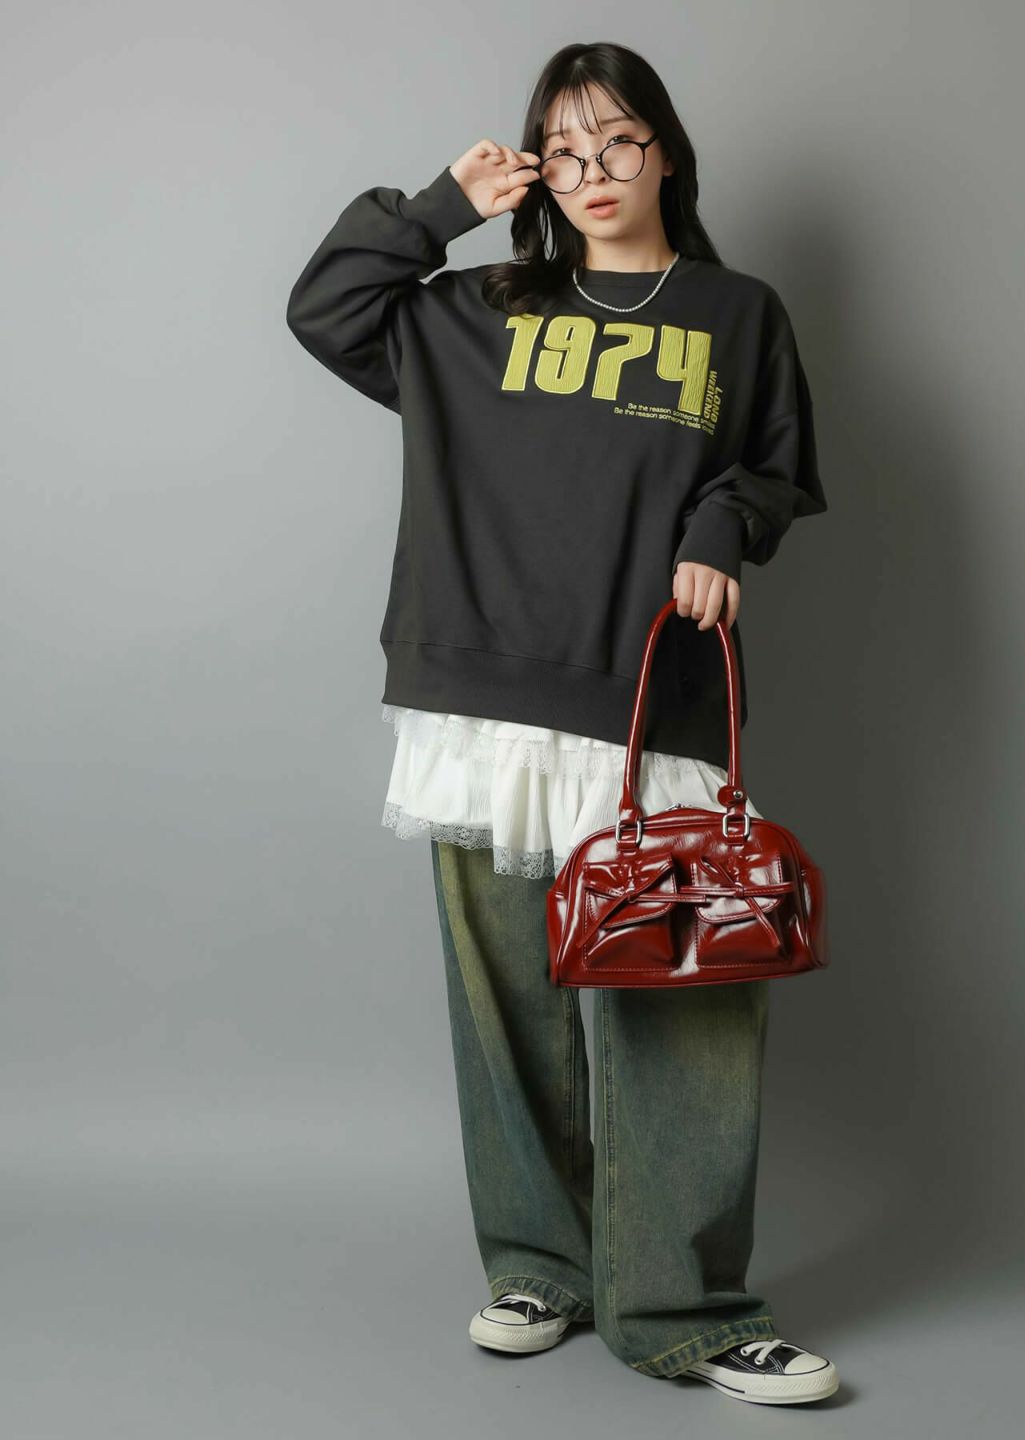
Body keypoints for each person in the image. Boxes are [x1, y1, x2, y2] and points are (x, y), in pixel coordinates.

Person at [285, 41, 836, 1406]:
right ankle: (540, 1266)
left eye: (620, 140)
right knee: (507, 1009)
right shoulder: (477, 306)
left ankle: (684, 1309)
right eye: (567, 148)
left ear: (668, 153)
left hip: (650, 702)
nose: (596, 171)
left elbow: (774, 466)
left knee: (683, 1007)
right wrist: (440, 206)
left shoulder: (737, 312)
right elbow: (326, 307)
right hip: (483, 696)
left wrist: (722, 525)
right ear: (540, 169)